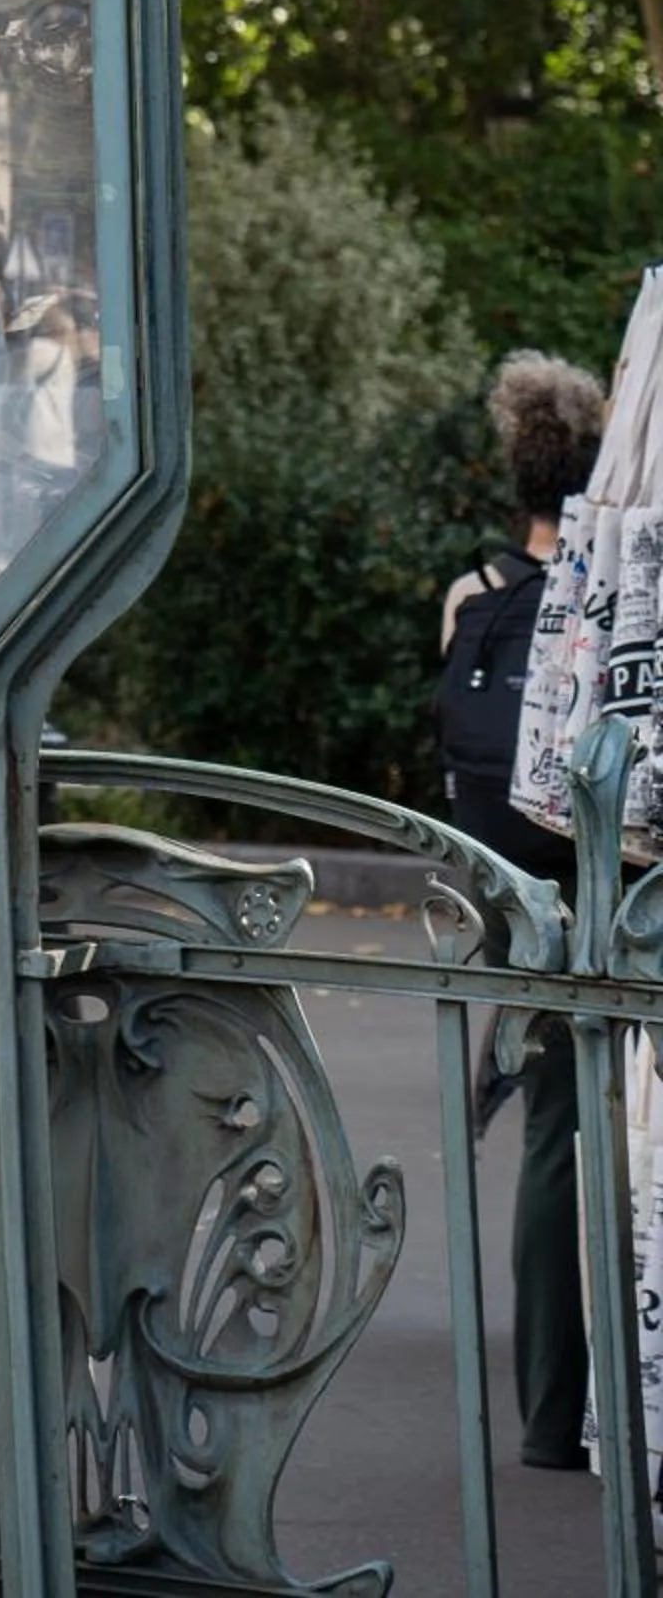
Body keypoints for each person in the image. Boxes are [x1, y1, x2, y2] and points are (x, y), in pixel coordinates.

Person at [436, 348, 606, 1472]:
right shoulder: (611, 591)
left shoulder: (474, 595)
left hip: (506, 885)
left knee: (556, 1130)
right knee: (601, 1126)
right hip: (599, 880)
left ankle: (551, 1413)